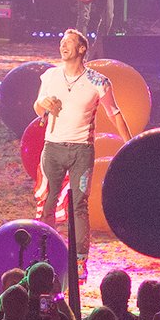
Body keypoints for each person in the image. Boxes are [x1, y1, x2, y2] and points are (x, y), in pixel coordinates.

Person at [32, 29, 129, 280]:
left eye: (69, 42)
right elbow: (38, 107)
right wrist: (43, 105)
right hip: (52, 148)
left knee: (79, 206)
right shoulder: (50, 76)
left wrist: (129, 145)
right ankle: (43, 257)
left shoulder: (98, 81)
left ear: (82, 49)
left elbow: (114, 113)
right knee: (48, 202)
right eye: (62, 42)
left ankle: (79, 262)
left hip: (81, 151)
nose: (63, 46)